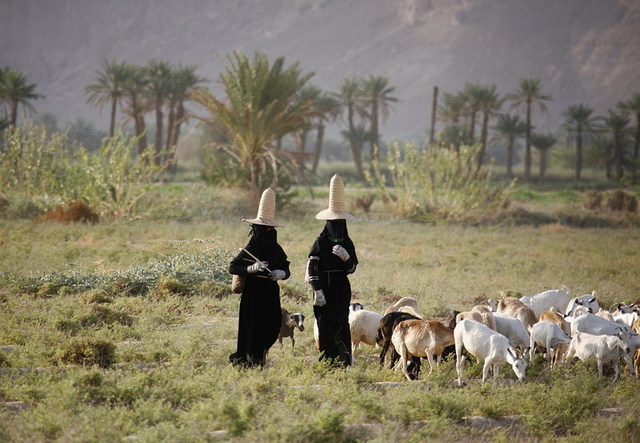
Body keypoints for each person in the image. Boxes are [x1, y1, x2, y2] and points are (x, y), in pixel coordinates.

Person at [228, 188, 290, 368]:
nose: (268, 232)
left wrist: (280, 274)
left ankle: (258, 357)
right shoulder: (250, 248)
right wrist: (250, 268)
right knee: (252, 329)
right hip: (253, 294)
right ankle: (250, 361)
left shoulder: (276, 248)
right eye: (264, 229)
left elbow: (286, 268)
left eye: (270, 229)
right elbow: (233, 266)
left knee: (272, 326)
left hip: (270, 293)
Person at [306, 174, 358, 367]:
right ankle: (327, 361)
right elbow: (312, 266)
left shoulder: (347, 242)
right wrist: (317, 290)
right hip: (323, 288)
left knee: (342, 324)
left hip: (341, 287)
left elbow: (352, 268)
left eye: (339, 223)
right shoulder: (320, 242)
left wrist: (346, 257)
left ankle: (344, 360)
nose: (336, 227)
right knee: (324, 325)